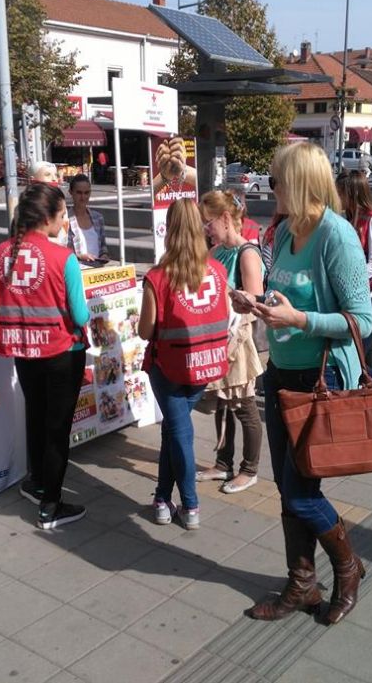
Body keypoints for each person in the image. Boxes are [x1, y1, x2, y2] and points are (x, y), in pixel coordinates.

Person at [231, 142, 372, 625]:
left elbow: (362, 320)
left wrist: (299, 319)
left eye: (276, 180)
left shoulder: (336, 235)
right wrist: (258, 303)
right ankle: (302, 584)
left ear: (302, 183)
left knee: (301, 493)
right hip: (282, 374)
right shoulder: (288, 230)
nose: (270, 188)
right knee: (287, 488)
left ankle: (348, 568)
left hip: (320, 379)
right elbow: (286, 295)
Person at [0, 182, 90, 529]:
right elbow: (81, 316)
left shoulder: (1, 253)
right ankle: (50, 507)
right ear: (48, 218)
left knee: (36, 416)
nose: (65, 221)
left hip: (23, 351)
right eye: (62, 215)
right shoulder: (64, 257)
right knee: (57, 429)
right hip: (62, 352)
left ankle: (37, 483)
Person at [138, 198, 230, 530]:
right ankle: (162, 499)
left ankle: (190, 505)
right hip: (205, 365)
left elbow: (145, 331)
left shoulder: (158, 277)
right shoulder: (218, 271)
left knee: (180, 434)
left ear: (170, 230)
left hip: (169, 367)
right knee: (173, 431)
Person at [194, 190, 264, 494]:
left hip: (240, 341)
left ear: (225, 218)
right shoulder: (216, 251)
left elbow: (256, 303)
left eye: (208, 222)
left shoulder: (247, 253)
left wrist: (236, 299)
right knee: (223, 401)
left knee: (245, 405)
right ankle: (223, 463)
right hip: (220, 338)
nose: (206, 229)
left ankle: (250, 469)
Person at [336, 170, 372, 381]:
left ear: (352, 192)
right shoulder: (346, 218)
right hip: (349, 296)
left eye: (340, 192)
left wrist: (347, 277)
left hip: (369, 297)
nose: (337, 197)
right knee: (354, 357)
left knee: (358, 358)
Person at [65, 174, 109, 265]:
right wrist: (79, 256)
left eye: (86, 193)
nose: (83, 197)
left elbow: (103, 246)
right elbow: (63, 250)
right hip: (77, 268)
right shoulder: (66, 219)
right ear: (71, 192)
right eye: (79, 193)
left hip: (98, 269)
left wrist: (104, 256)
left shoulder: (98, 218)